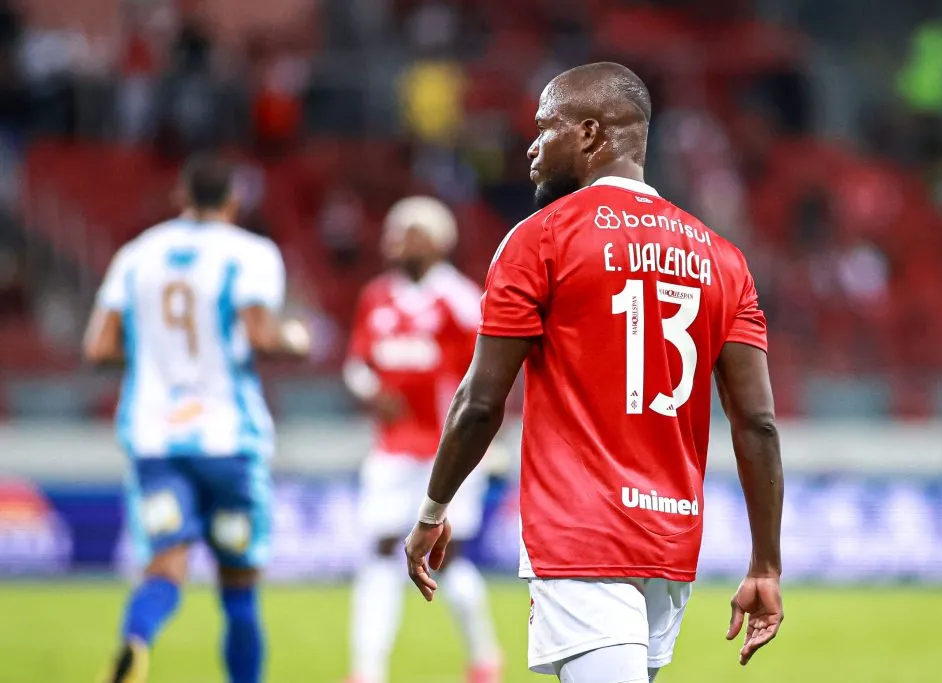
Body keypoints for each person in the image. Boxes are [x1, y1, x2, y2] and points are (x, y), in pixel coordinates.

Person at [405, 62, 785, 683]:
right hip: (669, 538)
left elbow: (479, 402)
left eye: (544, 127)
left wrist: (431, 510)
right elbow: (759, 423)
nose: (531, 146)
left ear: (587, 134)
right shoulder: (724, 259)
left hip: (579, 532)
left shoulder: (538, 239)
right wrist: (765, 564)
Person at [86, 154, 311, 683]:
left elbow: (98, 347)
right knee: (239, 589)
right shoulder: (251, 253)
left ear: (181, 198)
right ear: (232, 202)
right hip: (228, 440)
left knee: (164, 566)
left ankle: (136, 641)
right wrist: (296, 339)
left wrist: (153, 356)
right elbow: (259, 334)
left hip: (155, 440)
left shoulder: (137, 255)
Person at [343, 196, 501, 683]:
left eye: (406, 231)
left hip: (445, 454)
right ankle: (367, 671)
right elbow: (356, 365)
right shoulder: (377, 296)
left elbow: (489, 373)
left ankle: (483, 658)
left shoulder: (458, 299)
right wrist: (372, 391)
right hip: (390, 451)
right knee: (379, 548)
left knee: (447, 560)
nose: (393, 239)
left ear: (436, 242)